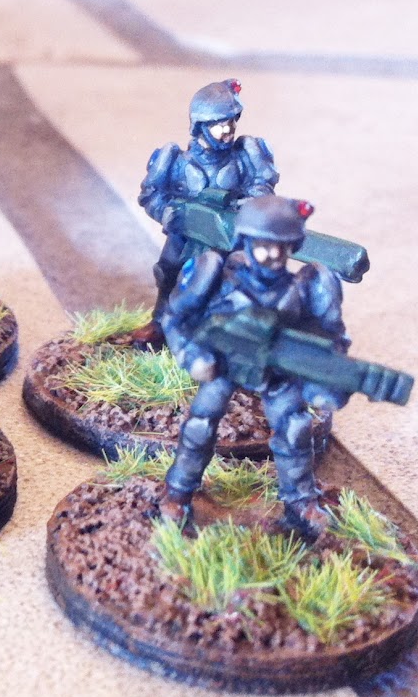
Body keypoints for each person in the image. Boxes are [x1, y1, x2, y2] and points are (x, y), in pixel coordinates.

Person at [158, 195, 348, 541]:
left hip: (275, 373)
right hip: (224, 364)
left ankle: (301, 502)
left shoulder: (303, 289)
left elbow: (329, 340)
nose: (273, 255)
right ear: (246, 242)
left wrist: (323, 381)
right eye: (263, 246)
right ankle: (178, 492)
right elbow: (175, 318)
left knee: (295, 429)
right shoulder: (217, 278)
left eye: (281, 247)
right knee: (199, 426)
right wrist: (193, 356)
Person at [130, 78, 277, 348]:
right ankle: (160, 322)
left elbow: (263, 185)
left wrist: (250, 203)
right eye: (219, 124)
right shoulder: (175, 161)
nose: (228, 129)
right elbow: (151, 194)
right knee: (169, 272)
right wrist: (168, 213)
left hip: (229, 236)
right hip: (186, 234)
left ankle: (223, 335)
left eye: (231, 121)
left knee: (236, 279)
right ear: (200, 125)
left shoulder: (245, 155)